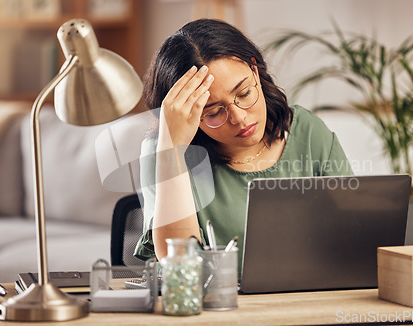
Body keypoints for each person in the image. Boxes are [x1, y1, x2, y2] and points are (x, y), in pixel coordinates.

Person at [134, 19, 353, 268]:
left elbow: (353, 233)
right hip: (219, 304)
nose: (239, 118)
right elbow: (180, 266)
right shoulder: (162, 150)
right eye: (214, 112)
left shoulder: (307, 131)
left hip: (310, 300)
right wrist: (172, 148)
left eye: (244, 93)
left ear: (255, 72)